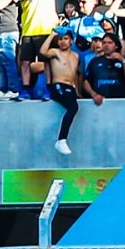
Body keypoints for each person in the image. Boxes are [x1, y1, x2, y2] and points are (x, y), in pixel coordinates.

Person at [39, 26, 81, 155]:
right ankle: (61, 139)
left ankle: (62, 140)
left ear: (71, 41)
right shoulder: (55, 52)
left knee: (73, 107)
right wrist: (52, 35)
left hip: (70, 87)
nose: (62, 42)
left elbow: (75, 74)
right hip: (58, 85)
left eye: (66, 39)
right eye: (60, 39)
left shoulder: (76, 56)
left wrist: (77, 90)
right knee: (73, 107)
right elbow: (42, 51)